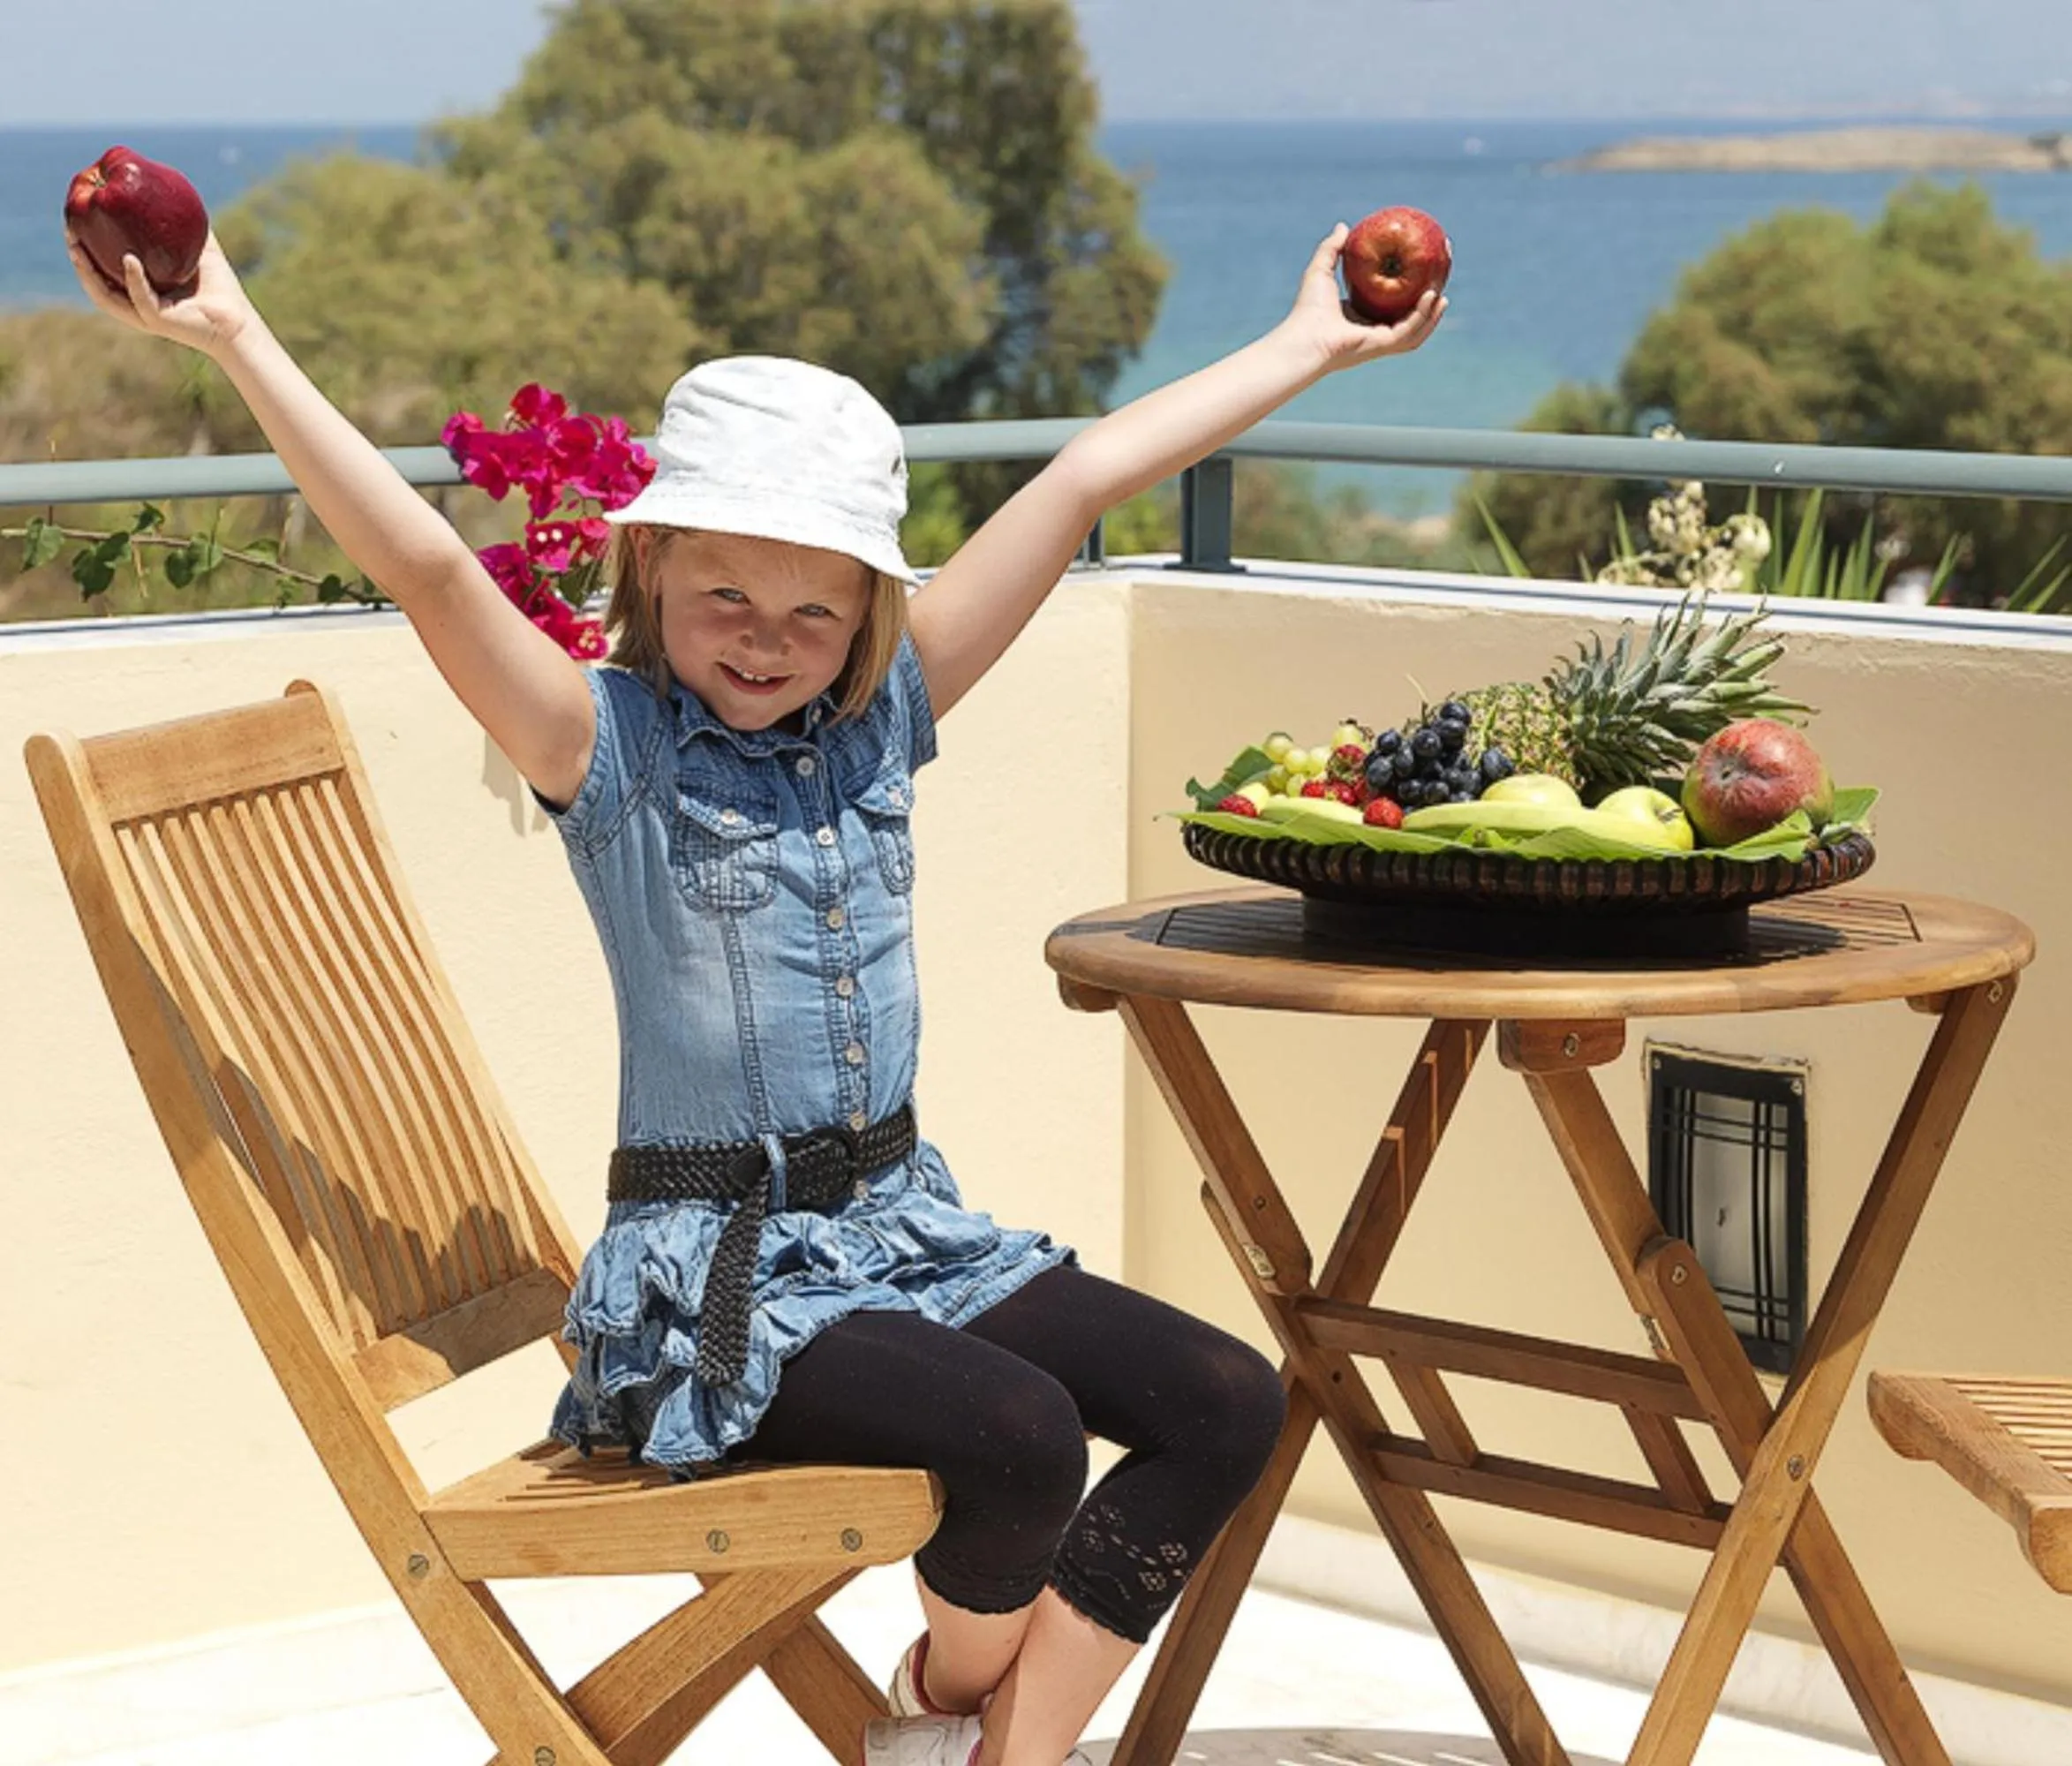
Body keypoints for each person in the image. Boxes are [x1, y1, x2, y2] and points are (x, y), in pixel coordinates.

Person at [69, 219, 1443, 1766]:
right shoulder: (611, 753)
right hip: (715, 1291)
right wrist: (233, 335)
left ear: (868, 609)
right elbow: (427, 562)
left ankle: (964, 1737)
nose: (766, 646)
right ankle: (974, 1737)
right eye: (724, 599)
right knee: (1019, 1438)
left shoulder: (881, 722)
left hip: (902, 1235)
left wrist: (1308, 344)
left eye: (814, 612)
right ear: (649, 568)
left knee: (1226, 1401)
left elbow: (1074, 482)